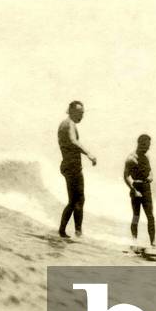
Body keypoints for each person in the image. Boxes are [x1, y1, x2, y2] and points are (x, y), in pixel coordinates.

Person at [57, 101, 96, 238]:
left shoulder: (65, 124)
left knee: (75, 201)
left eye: (83, 113)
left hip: (67, 165)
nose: (82, 116)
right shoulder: (69, 124)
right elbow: (73, 141)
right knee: (77, 200)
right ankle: (76, 233)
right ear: (72, 111)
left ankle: (65, 231)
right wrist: (89, 154)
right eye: (80, 113)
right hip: (72, 167)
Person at [124, 134, 156, 247]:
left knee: (150, 216)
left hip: (146, 188)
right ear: (140, 144)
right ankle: (134, 241)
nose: (148, 148)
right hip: (136, 188)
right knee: (136, 216)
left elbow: (150, 171)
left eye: (148, 146)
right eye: (146, 146)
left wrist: (151, 176)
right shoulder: (131, 158)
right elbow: (126, 176)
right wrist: (133, 189)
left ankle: (153, 243)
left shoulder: (146, 157)